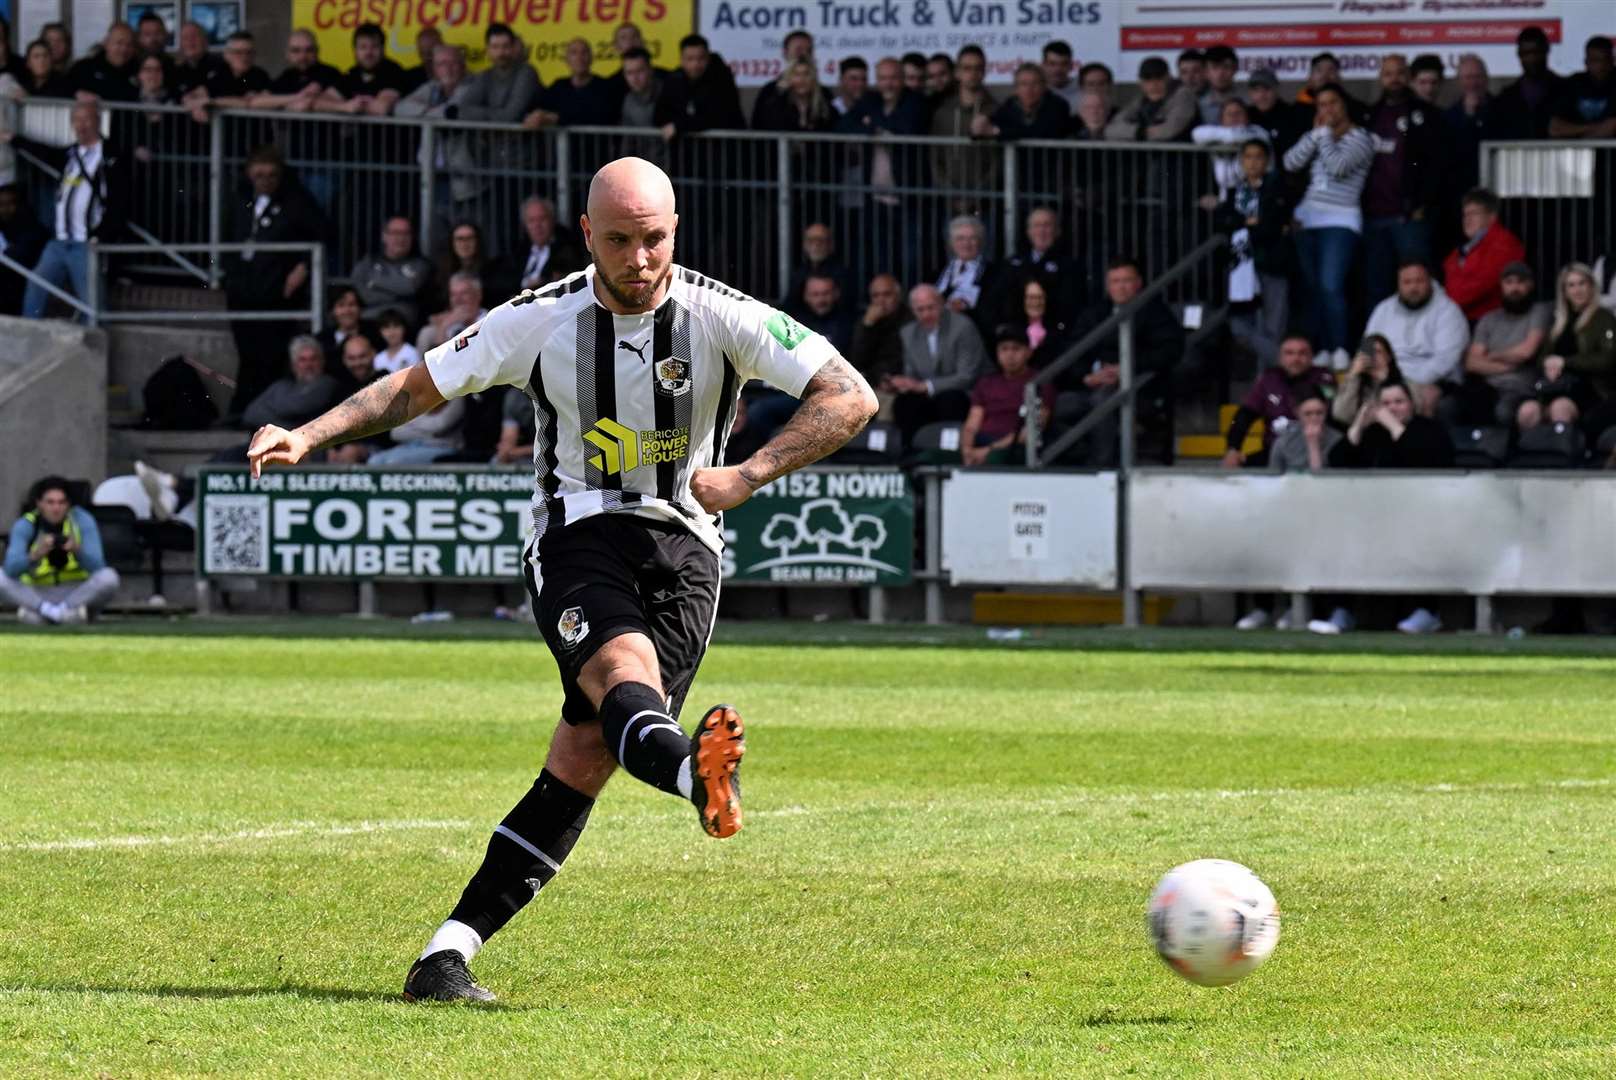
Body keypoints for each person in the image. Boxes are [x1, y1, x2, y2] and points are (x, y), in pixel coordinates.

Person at [245, 156, 875, 1003]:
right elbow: (414, 388)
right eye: (619, 241)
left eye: (653, 239)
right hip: (578, 532)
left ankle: (444, 958)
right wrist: (310, 433)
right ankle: (698, 777)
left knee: (585, 759)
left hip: (689, 552)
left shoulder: (724, 314)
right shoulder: (539, 319)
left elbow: (851, 396)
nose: (640, 259)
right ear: (587, 236)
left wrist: (751, 472)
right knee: (621, 675)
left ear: (675, 231)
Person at [223, 145, 326, 415]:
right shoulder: (240, 201)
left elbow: (322, 233)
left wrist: (303, 265)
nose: (265, 181)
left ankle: (261, 409)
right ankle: (245, 409)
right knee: (247, 350)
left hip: (277, 289)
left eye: (271, 175)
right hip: (243, 289)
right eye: (259, 175)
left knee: (270, 351)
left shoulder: (296, 202)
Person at [1056, 256, 1185, 466]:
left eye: (1127, 280)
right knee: (1058, 405)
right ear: (1107, 285)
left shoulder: (1154, 311)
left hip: (1140, 388)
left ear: (1138, 283)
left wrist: (1126, 368)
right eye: (1115, 281)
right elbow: (1073, 350)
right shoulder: (1094, 313)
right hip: (1092, 386)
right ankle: (1070, 460)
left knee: (1104, 402)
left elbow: (1170, 349)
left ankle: (1102, 467)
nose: (1121, 287)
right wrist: (1088, 376)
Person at [10, 100, 131, 321]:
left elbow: (119, 203)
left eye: (87, 120)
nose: (81, 125)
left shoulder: (111, 156)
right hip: (59, 241)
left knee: (92, 301)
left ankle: (91, 345)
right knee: (37, 285)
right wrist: (13, 140)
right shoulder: (70, 154)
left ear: (98, 121)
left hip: (86, 244)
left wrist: (101, 236)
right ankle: (29, 331)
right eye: (76, 120)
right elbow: (43, 153)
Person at [1283, 82, 1374, 366]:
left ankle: (1340, 348)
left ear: (1344, 104)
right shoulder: (1318, 136)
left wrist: (1321, 135)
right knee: (1314, 289)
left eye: (1333, 103)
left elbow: (1338, 167)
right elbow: (1290, 162)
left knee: (1331, 285)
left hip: (1341, 219)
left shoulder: (1361, 137)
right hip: (1308, 218)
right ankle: (1321, 348)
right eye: (1322, 105)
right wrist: (1315, 135)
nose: (1328, 109)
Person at [1361, 55, 1444, 309]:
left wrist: (1423, 204)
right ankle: (1378, 345)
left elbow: (1436, 165)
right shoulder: (1369, 115)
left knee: (1419, 285)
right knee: (1376, 288)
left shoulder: (1426, 114)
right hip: (1374, 217)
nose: (1394, 79)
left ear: (1407, 77)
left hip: (1408, 218)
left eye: (1399, 73)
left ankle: (1426, 343)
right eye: (1388, 73)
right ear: (1380, 78)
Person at [1, 476, 121, 625]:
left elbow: (98, 566)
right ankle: (56, 613)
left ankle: (55, 613)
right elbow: (10, 569)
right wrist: (36, 554)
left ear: (68, 504)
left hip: (76, 591)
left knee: (109, 577)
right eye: (50, 502)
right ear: (39, 504)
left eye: (61, 502)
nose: (56, 508)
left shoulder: (82, 520)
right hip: (38, 591)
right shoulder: (26, 524)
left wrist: (77, 551)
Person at [1214, 139, 1291, 367]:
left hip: (1271, 262)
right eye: (1248, 157)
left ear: (1266, 161)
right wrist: (1249, 222)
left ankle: (1272, 376)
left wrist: (1245, 224)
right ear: (1241, 161)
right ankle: (1282, 363)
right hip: (1240, 265)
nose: (1252, 162)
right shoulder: (1232, 191)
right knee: (1239, 324)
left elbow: (1272, 223)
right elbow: (1224, 221)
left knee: (1273, 325)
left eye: (1258, 156)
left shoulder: (1277, 187)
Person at [1363, 260, 1469, 415]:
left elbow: (1445, 361)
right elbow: (1368, 347)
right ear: (1398, 284)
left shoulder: (1448, 311)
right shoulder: (1383, 309)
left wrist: (1404, 385)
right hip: (1386, 378)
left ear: (1430, 282)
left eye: (1419, 281)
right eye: (1407, 282)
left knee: (1422, 400)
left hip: (1434, 381)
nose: (1413, 288)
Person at [1222, 334, 1335, 469]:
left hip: (1319, 447)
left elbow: (1334, 416)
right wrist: (1233, 448)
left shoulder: (1324, 378)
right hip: (1274, 449)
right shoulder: (1268, 379)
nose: (1296, 358)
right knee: (1237, 464)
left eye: (1302, 353)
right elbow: (1244, 416)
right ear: (1280, 357)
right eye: (1289, 353)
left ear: (1311, 357)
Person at [893, 283, 989, 443]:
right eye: (920, 309)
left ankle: (949, 452)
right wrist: (904, 383)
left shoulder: (962, 326)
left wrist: (926, 386)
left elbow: (966, 377)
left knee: (950, 400)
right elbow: (911, 374)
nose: (926, 314)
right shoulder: (908, 333)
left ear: (942, 304)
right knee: (905, 403)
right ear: (912, 310)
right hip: (929, 393)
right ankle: (910, 454)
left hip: (964, 391)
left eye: (931, 308)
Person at [1460, 263, 1549, 425]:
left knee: (1503, 411)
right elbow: (1471, 363)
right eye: (1509, 282)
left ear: (1530, 285)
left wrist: (1492, 355)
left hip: (1520, 388)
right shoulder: (1489, 319)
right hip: (1486, 386)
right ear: (1501, 286)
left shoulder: (1539, 311)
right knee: (1454, 406)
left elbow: (1526, 352)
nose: (1514, 288)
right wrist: (1508, 365)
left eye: (1520, 282)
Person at [1536, 262, 1616, 440]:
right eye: (1571, 285)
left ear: (1591, 286)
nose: (1577, 289)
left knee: (1560, 408)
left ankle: (1564, 460)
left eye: (1582, 283)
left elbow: (1607, 359)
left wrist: (1566, 362)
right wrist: (1548, 364)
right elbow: (1541, 358)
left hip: (1591, 389)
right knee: (1528, 411)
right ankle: (1533, 460)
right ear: (1564, 290)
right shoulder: (1558, 321)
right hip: (1554, 387)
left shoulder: (1604, 318)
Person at [960, 326, 1055, 466]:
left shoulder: (1040, 382)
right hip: (981, 441)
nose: (1010, 355)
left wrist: (988, 450)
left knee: (995, 459)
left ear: (1028, 352)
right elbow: (971, 425)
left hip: (1014, 446)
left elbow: (1031, 431)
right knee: (932, 457)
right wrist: (966, 451)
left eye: (1016, 349)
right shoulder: (986, 383)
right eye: (1004, 349)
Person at [929, 45, 998, 218]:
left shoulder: (997, 111)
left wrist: (978, 195)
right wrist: (950, 193)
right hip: (948, 203)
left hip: (986, 203)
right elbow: (934, 157)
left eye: (978, 68)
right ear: (957, 72)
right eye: (967, 68)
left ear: (984, 72)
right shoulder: (942, 112)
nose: (972, 74)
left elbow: (999, 160)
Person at [1441, 188, 1525, 322]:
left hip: (1490, 322)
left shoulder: (1504, 244)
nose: (1467, 219)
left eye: (1474, 213)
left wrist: (1447, 304)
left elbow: (1478, 286)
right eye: (1465, 214)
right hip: (1463, 318)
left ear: (1492, 216)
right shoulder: (1464, 249)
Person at [240, 334, 343, 431]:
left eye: (313, 359)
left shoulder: (327, 384)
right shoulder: (281, 386)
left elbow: (298, 407)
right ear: (294, 365)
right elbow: (250, 414)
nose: (308, 365)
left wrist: (270, 411)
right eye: (302, 360)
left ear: (322, 361)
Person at [494, 196, 586, 298]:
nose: (537, 225)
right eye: (531, 221)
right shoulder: (518, 251)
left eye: (542, 219)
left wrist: (540, 282)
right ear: (525, 225)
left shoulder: (567, 249)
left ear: (552, 220)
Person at [654, 34, 743, 140]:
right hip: (683, 152)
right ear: (681, 60)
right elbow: (659, 115)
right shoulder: (674, 80)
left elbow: (718, 116)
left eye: (701, 58)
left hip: (720, 150)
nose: (695, 64)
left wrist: (679, 125)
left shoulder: (722, 79)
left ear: (708, 58)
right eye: (690, 59)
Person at [350, 216, 434, 327]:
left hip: (406, 324)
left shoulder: (421, 264)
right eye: (395, 233)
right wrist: (399, 297)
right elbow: (364, 294)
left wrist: (373, 282)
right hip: (369, 320)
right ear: (384, 236)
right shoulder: (368, 262)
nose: (400, 238)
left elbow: (408, 287)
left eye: (406, 233)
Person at [933, 215, 1001, 333]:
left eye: (972, 238)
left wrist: (965, 308)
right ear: (951, 243)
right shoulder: (939, 271)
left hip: (975, 330)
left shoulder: (994, 272)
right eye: (960, 238)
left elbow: (992, 310)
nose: (966, 244)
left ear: (980, 242)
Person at [1494, 27, 1563, 140]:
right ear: (1519, 55)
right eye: (1526, 53)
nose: (1532, 59)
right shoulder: (1506, 98)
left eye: (1537, 52)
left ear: (1547, 50)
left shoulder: (1566, 90)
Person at [1105, 56, 1195, 141]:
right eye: (1148, 79)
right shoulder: (1141, 100)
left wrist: (1137, 133)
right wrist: (1140, 132)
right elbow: (1111, 130)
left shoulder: (1183, 95)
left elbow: (1169, 130)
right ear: (1140, 82)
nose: (1153, 85)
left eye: (1159, 78)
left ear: (1168, 78)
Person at [974, 62, 1068, 141]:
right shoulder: (1009, 105)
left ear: (1044, 86)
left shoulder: (1058, 106)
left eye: (1035, 83)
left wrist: (997, 131)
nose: (1029, 90)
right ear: (1016, 89)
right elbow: (992, 123)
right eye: (1023, 84)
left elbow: (1038, 132)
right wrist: (981, 125)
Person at [327, 22, 406, 116]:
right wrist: (345, 106)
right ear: (355, 51)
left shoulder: (394, 71)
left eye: (374, 47)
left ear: (383, 49)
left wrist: (350, 105)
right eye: (363, 47)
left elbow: (381, 108)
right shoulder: (352, 73)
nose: (368, 53)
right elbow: (318, 102)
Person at [539, 38, 618, 128]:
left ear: (591, 58)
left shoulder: (605, 87)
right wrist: (538, 114)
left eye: (584, 53)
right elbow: (540, 107)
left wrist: (557, 118)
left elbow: (597, 118)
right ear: (567, 60)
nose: (579, 58)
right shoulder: (558, 86)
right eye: (574, 53)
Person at [1548, 36, 1616, 139]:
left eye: (1605, 60)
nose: (1601, 66)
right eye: (1595, 60)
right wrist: (1593, 129)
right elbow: (1555, 129)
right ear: (1586, 62)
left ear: (1612, 61)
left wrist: (1576, 133)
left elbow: (1611, 128)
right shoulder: (1574, 83)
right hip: (1577, 154)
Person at [1331, 333, 1404, 427]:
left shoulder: (1401, 383)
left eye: (1378, 351)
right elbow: (1341, 415)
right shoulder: (1353, 381)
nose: (1372, 357)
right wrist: (1354, 376)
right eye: (1369, 352)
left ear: (1388, 357)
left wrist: (1384, 382)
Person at [782, 223, 855, 315]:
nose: (816, 245)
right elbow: (789, 305)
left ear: (830, 244)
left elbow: (847, 307)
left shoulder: (843, 274)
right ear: (805, 245)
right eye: (811, 240)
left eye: (821, 240)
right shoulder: (799, 273)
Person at [848, 273, 908, 385]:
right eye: (876, 296)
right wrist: (867, 325)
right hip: (873, 382)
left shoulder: (910, 320)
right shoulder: (866, 321)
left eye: (887, 295)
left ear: (898, 295)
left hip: (902, 383)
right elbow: (857, 361)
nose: (881, 300)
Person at [748, 28, 814, 129]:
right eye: (799, 50)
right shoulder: (769, 92)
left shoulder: (823, 94)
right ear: (785, 53)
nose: (804, 55)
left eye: (808, 50)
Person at [1006, 274, 1070, 369]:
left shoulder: (1057, 330)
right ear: (1022, 299)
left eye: (1040, 297)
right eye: (1031, 297)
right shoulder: (1010, 328)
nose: (1036, 303)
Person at [0, 183, 46, 314]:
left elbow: (19, 257)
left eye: (10, 204)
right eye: (1, 205)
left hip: (20, 282)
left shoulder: (31, 228)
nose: (5, 209)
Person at [416, 270, 487, 353]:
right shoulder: (448, 325)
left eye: (464, 293)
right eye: (453, 294)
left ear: (478, 295)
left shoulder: (488, 321)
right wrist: (443, 327)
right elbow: (436, 362)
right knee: (427, 332)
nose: (457, 300)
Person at [67, 22, 138, 102]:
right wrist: (76, 93)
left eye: (129, 44)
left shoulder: (140, 71)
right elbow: (63, 90)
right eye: (119, 43)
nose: (124, 49)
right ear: (106, 43)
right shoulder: (84, 68)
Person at [1245, 68, 1307, 157]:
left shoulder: (1292, 115)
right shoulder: (1245, 115)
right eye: (1256, 90)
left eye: (1267, 89)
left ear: (1276, 90)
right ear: (1250, 93)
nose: (1261, 95)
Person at [171, 21, 222, 99]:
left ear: (205, 40)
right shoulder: (176, 71)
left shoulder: (221, 65)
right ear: (180, 44)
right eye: (185, 38)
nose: (190, 41)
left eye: (194, 36)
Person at [1198, 44, 1239, 125]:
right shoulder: (1197, 102)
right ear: (1205, 72)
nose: (1220, 74)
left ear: (1235, 69)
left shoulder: (1250, 98)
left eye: (1226, 67)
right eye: (1215, 67)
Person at [375, 309, 421, 373]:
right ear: (380, 331)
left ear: (404, 328)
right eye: (386, 327)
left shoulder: (412, 353)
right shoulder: (378, 358)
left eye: (396, 326)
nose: (392, 332)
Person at [1042, 40, 1080, 112]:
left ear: (1071, 66)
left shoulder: (1084, 87)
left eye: (1064, 64)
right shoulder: (1033, 90)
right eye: (1052, 64)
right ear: (1043, 65)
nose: (1058, 69)